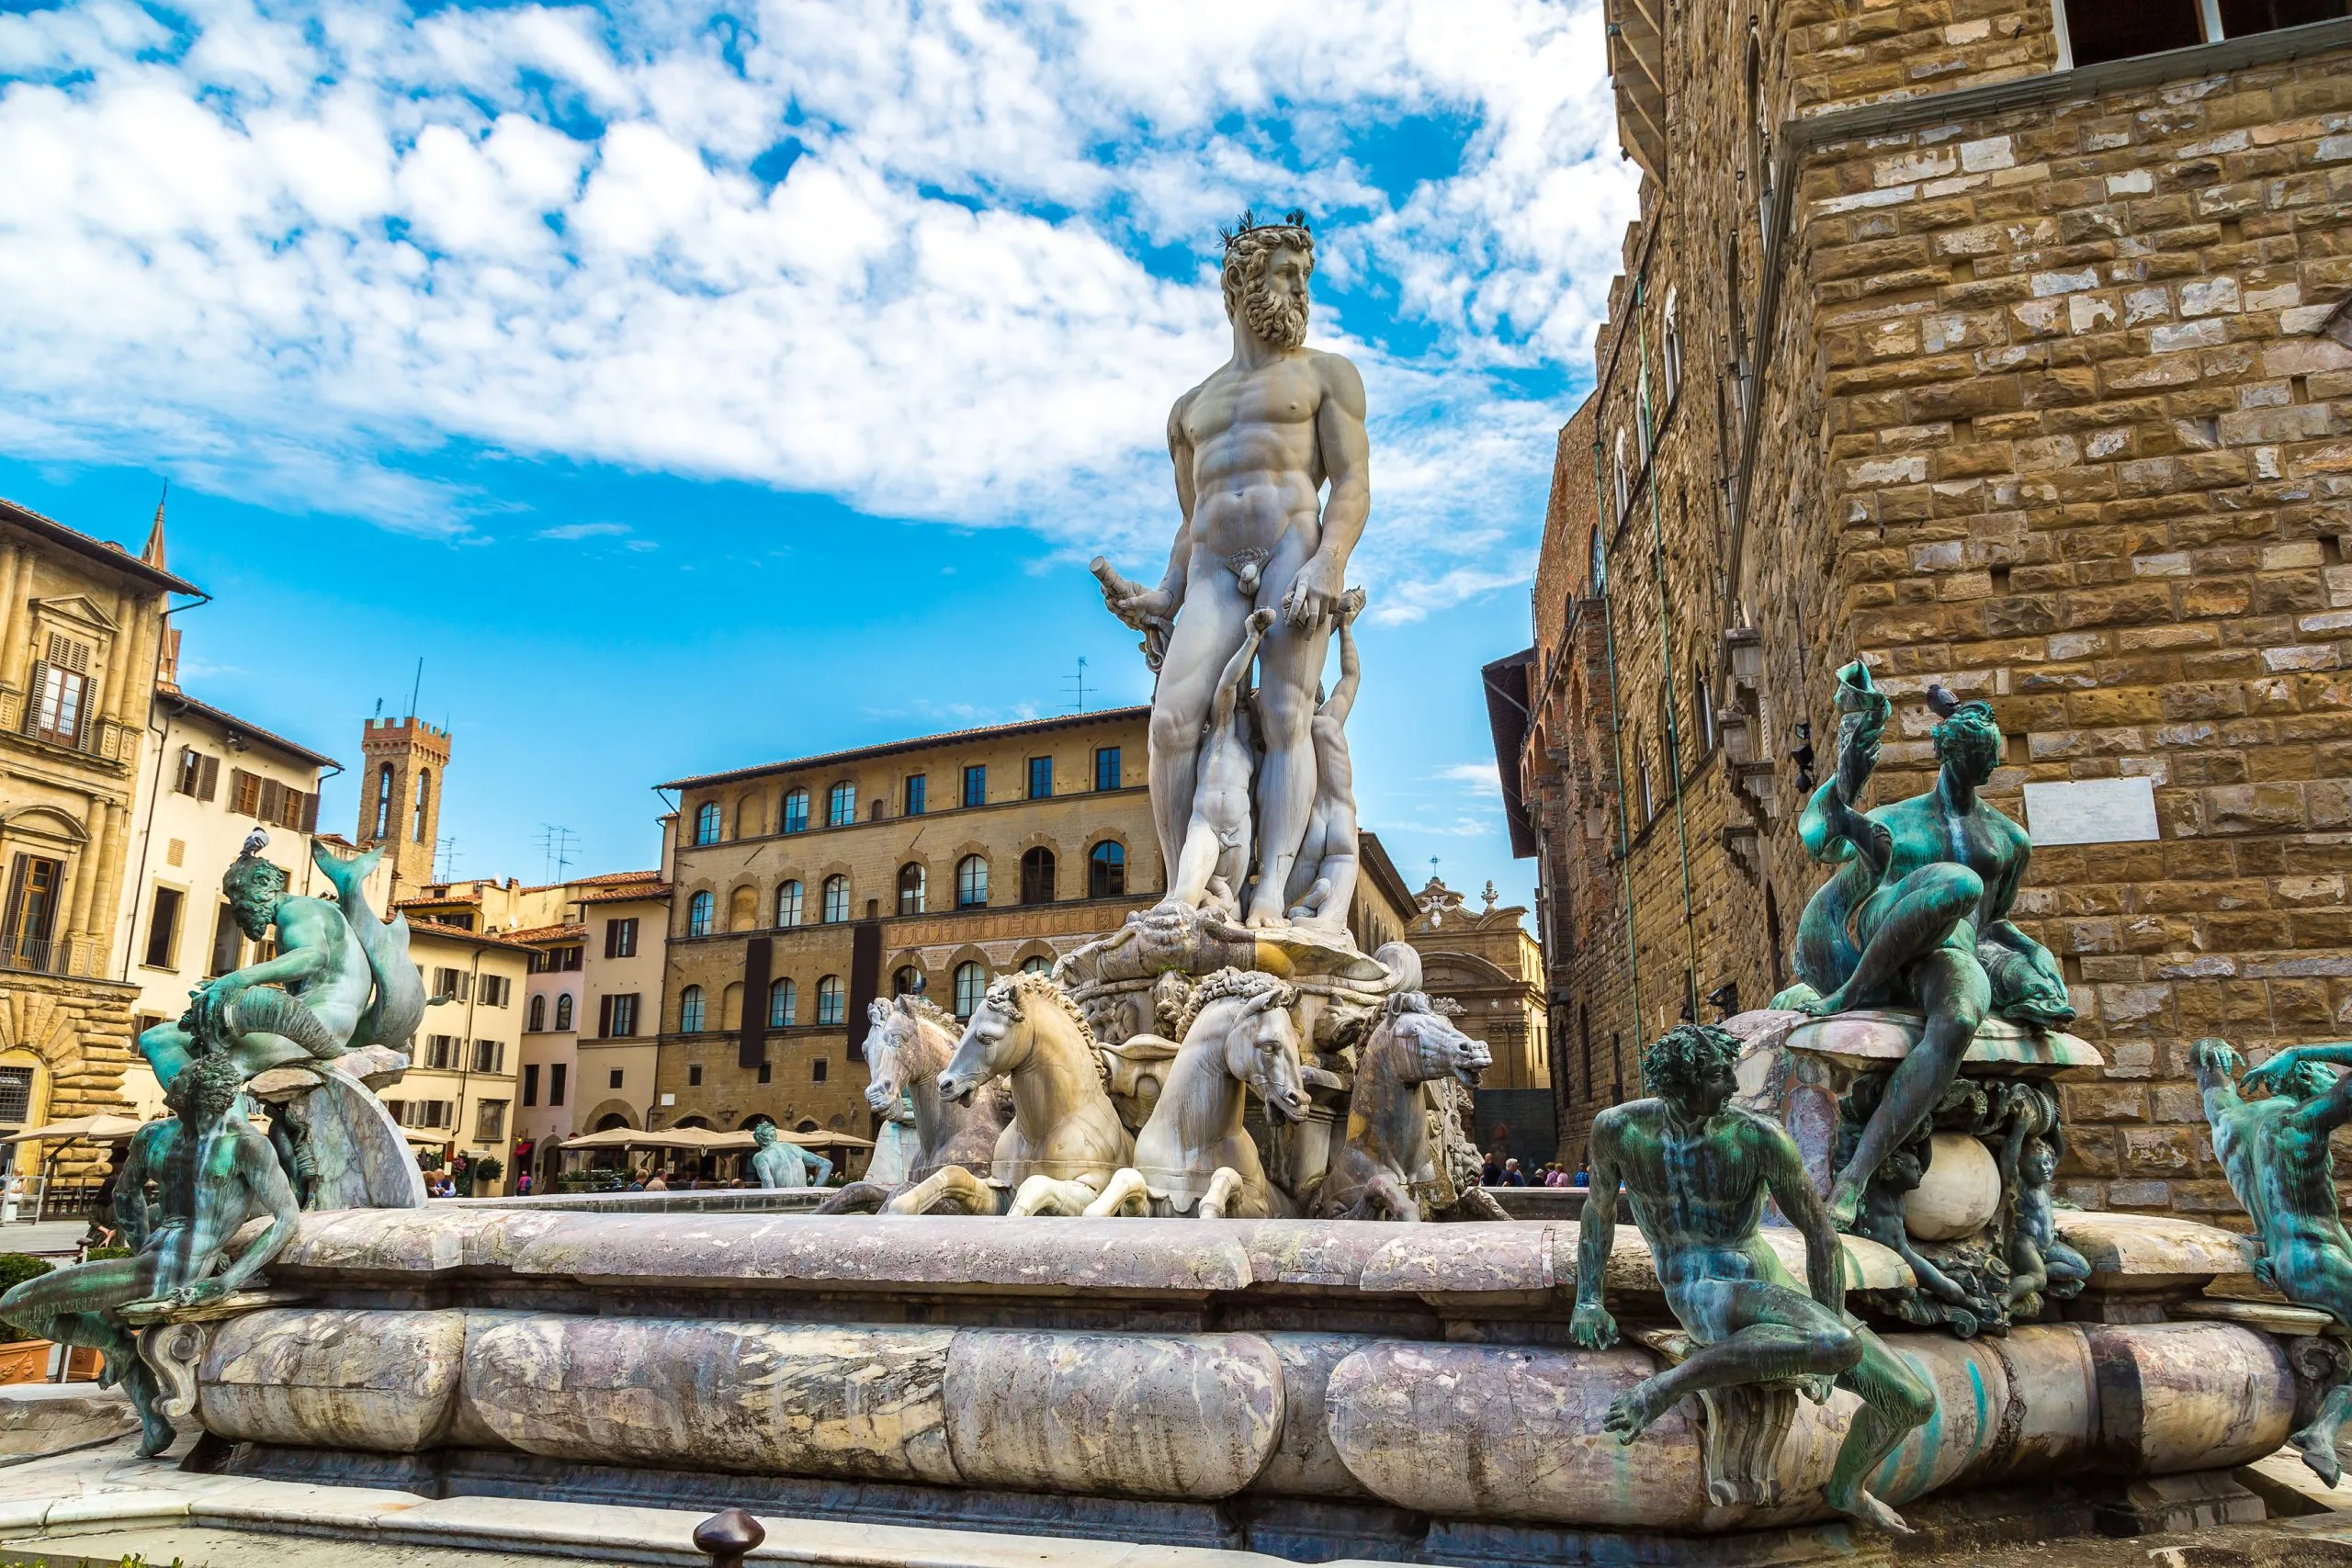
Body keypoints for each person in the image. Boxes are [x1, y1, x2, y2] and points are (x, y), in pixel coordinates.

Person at [1095, 209, 1371, 927]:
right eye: (1287, 274)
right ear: (1244, 284)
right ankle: (1183, 893)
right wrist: (1162, 595)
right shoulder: (1189, 409)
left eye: (1305, 278)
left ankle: (1272, 895)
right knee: (1171, 723)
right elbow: (1193, 520)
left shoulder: (1327, 376)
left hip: (1292, 550)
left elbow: (1351, 484)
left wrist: (1329, 561)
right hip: (1216, 567)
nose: (1301, 291)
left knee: (1285, 714)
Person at [1571, 1023, 1935, 1534]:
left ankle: (1846, 1487)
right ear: (1680, 1083)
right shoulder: (1620, 1130)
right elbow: (1598, 1210)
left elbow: (1821, 1237)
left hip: (1766, 1279)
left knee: (1911, 1400)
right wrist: (1589, 1298)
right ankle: (1663, 1389)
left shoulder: (1758, 1137)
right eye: (1719, 1077)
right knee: (1832, 1342)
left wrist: (1824, 1349)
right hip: (1699, 1291)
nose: (1733, 1088)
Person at [1791, 666, 2072, 1227]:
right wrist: (1848, 773)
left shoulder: (2008, 839)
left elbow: (1996, 922)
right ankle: (1848, 991)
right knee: (1957, 882)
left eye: (1991, 760)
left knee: (1965, 1010)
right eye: (1980, 758)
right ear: (1952, 756)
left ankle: (1855, 1176)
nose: (1988, 769)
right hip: (1884, 934)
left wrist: (2035, 956)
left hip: (1949, 955)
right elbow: (1820, 839)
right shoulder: (1900, 821)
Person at [0, 1048, 300, 1458]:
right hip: (151, 1262)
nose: (170, 1083)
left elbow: (286, 1218)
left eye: (178, 1079)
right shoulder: (153, 1136)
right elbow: (126, 1195)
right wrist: (142, 1246)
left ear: (195, 1092)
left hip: (183, 1273)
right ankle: (147, 1410)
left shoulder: (245, 1145)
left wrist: (224, 1282)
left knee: (16, 1304)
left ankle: (123, 1357)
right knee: (20, 1304)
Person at [2195, 1038, 2352, 1483]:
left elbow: (2210, 1078)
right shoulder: (2300, 1124)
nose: (2331, 1081)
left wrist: (2211, 1051)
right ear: (2306, 1082)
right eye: (2325, 1077)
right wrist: (2304, 1051)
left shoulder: (2233, 1122)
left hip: (2288, 1263)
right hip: (2319, 1262)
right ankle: (2321, 1434)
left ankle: (2320, 1429)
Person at [1169, 607, 1276, 915]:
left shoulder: (1254, 755)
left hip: (1241, 832)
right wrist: (1252, 640)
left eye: (1248, 708)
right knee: (1185, 899)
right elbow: (1228, 686)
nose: (1242, 709)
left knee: (1233, 912)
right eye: (1240, 707)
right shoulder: (1219, 731)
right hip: (1206, 826)